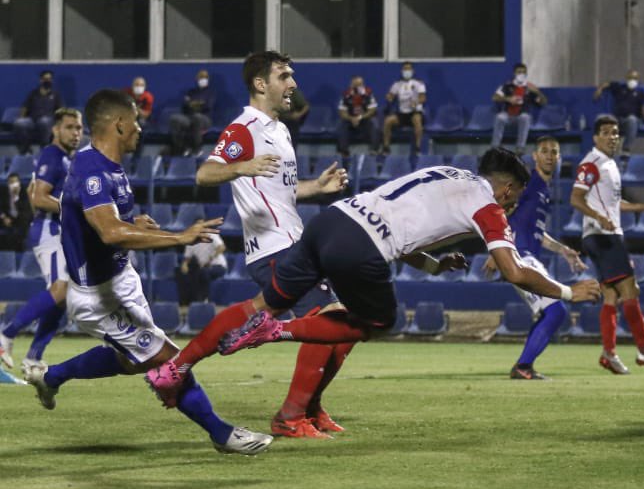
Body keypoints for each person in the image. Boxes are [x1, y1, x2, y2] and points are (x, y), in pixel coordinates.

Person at [145, 148, 602, 399]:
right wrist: (567, 291)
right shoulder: (488, 205)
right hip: (359, 246)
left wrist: (437, 264)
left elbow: (403, 233)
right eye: (514, 196)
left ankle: (175, 368)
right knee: (380, 322)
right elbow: (514, 271)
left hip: (331, 221)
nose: (512, 205)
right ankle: (276, 333)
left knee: (260, 302)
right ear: (506, 187)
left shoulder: (444, 173)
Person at [22, 89, 272, 455]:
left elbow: (104, 224)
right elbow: (108, 231)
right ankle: (222, 434)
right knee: (169, 360)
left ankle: (51, 376)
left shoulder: (109, 165)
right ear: (119, 124)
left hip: (122, 281)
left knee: (129, 359)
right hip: (97, 298)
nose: (140, 128)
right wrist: (178, 237)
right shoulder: (91, 169)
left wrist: (132, 222)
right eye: (136, 120)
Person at [174, 50, 352, 440]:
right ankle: (289, 417)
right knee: (333, 319)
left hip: (293, 242)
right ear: (261, 83)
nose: (293, 84)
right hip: (274, 248)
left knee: (343, 330)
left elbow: (282, 192)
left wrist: (316, 188)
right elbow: (205, 173)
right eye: (284, 76)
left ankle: (309, 407)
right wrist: (241, 166)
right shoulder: (245, 127)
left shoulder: (279, 129)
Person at [570, 115, 644, 374]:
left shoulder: (609, 164)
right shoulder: (591, 163)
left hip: (607, 234)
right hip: (601, 236)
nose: (612, 136)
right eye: (605, 132)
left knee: (611, 295)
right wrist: (598, 218)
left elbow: (614, 204)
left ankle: (609, 354)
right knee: (631, 290)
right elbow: (575, 198)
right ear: (596, 137)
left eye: (615, 132)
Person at [483, 136, 587, 379]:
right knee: (557, 311)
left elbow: (536, 232)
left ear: (559, 157)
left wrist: (563, 250)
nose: (550, 155)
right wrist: (495, 248)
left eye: (555, 151)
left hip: (528, 257)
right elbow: (497, 207)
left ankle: (524, 366)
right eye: (545, 151)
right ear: (535, 156)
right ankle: (523, 367)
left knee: (549, 312)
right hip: (519, 258)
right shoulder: (528, 183)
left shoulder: (542, 190)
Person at [0, 108, 83, 374]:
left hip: (59, 230)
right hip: (49, 229)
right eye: (70, 127)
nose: (76, 133)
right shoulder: (52, 154)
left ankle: (34, 357)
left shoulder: (66, 159)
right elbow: (37, 197)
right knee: (61, 289)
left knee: (62, 297)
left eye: (79, 128)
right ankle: (6, 334)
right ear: (56, 130)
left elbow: (33, 188)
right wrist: (73, 209)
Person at [593, 69, 644, 156]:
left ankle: (626, 149)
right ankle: (602, 149)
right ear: (626, 78)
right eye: (630, 78)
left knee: (632, 120)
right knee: (600, 118)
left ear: (638, 79)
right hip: (617, 119)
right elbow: (607, 84)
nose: (632, 80)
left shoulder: (642, 90)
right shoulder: (620, 86)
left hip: (633, 120)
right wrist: (599, 89)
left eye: (635, 78)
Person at [492, 63, 547, 153]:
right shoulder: (507, 85)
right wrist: (508, 99)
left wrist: (537, 92)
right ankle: (495, 147)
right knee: (499, 117)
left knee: (525, 117)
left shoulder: (530, 88)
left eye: (524, 72)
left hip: (522, 115)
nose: (521, 74)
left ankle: (520, 148)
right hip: (508, 115)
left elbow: (543, 102)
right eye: (519, 72)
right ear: (514, 73)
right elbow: (495, 97)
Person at [380, 61, 426, 155]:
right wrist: (389, 97)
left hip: (414, 112)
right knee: (388, 121)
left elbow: (423, 98)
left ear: (412, 71)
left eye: (409, 69)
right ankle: (386, 147)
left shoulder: (418, 84)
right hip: (401, 113)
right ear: (402, 71)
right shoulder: (397, 84)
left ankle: (417, 148)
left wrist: (416, 102)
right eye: (405, 69)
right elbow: (391, 95)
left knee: (417, 121)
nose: (407, 71)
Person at [14, 70, 63, 154]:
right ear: (41, 80)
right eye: (45, 78)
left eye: (49, 79)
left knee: (44, 121)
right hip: (32, 119)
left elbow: (60, 110)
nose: (47, 80)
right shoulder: (33, 93)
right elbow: (25, 107)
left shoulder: (55, 94)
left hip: (48, 120)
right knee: (19, 122)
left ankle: (44, 147)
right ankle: (25, 147)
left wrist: (60, 122)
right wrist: (21, 117)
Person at [169, 68, 216, 157]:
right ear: (197, 79)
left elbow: (207, 107)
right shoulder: (191, 92)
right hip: (189, 117)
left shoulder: (211, 93)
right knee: (175, 119)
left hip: (205, 119)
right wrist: (198, 104)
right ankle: (181, 149)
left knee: (197, 117)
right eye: (200, 77)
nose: (203, 79)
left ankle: (196, 149)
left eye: (205, 77)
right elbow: (185, 106)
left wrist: (193, 104)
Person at [174, 235, 227, 307]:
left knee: (203, 272)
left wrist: (211, 258)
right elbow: (187, 258)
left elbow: (222, 247)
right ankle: (185, 302)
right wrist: (184, 264)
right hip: (201, 267)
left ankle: (204, 300)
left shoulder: (211, 235)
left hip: (218, 266)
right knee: (180, 272)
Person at [337, 74, 378, 158]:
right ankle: (344, 152)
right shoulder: (346, 95)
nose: (358, 87)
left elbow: (372, 109)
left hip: (364, 119)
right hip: (350, 120)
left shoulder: (368, 93)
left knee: (374, 123)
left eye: (360, 84)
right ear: (351, 85)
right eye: (356, 85)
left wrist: (360, 117)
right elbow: (342, 111)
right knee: (341, 125)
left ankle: (374, 150)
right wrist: (351, 118)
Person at [0, 172, 32, 252]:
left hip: (20, 220)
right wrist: (4, 217)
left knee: (22, 228)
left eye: (16, 182)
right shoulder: (3, 191)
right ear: (8, 183)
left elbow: (26, 213)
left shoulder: (24, 193)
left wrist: (16, 197)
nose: (14, 184)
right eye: (11, 182)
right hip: (5, 218)